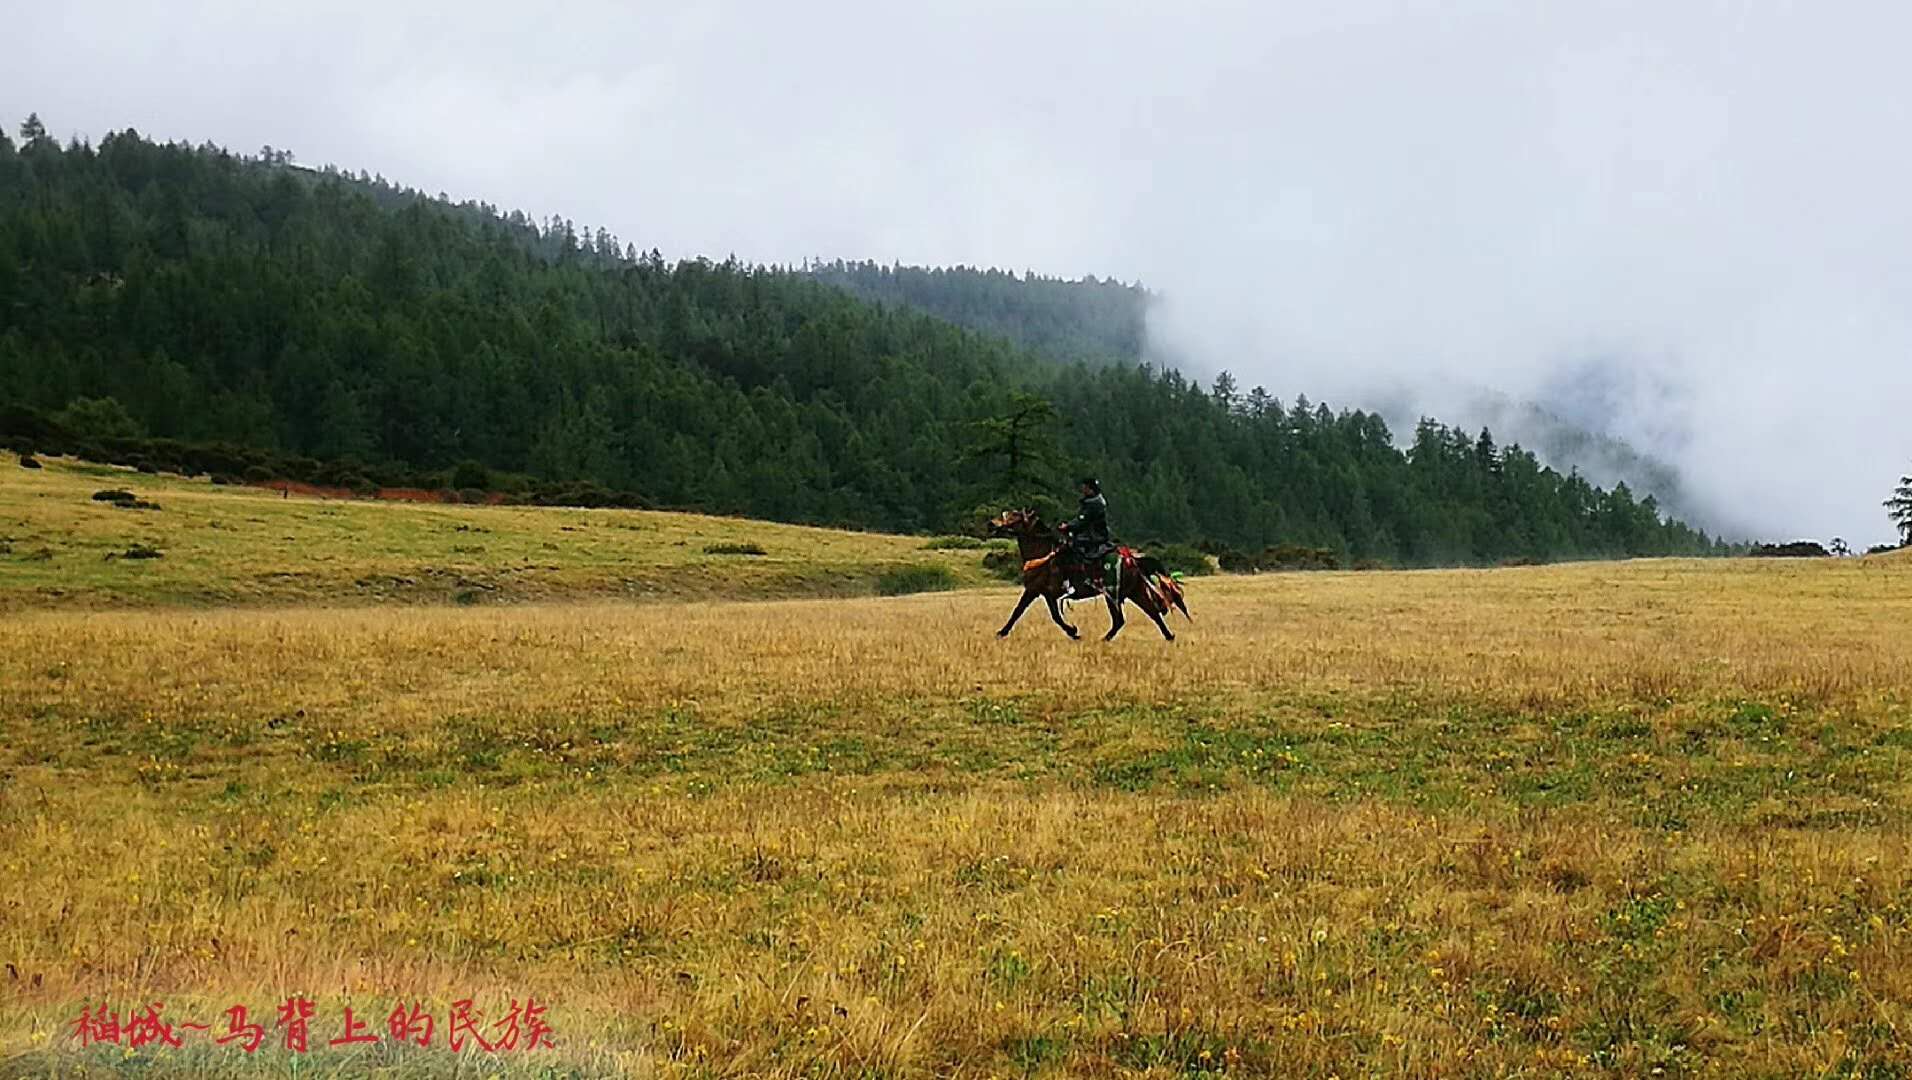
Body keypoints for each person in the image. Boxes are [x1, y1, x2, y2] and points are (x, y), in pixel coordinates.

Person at [1058, 477, 1113, 600]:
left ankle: (1076, 581)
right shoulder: (1095, 500)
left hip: (1093, 536)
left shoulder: (1092, 503)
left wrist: (1068, 526)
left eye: (1084, 487)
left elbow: (1082, 520)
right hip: (1095, 534)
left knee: (1069, 551)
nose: (1082, 489)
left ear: (1090, 488)